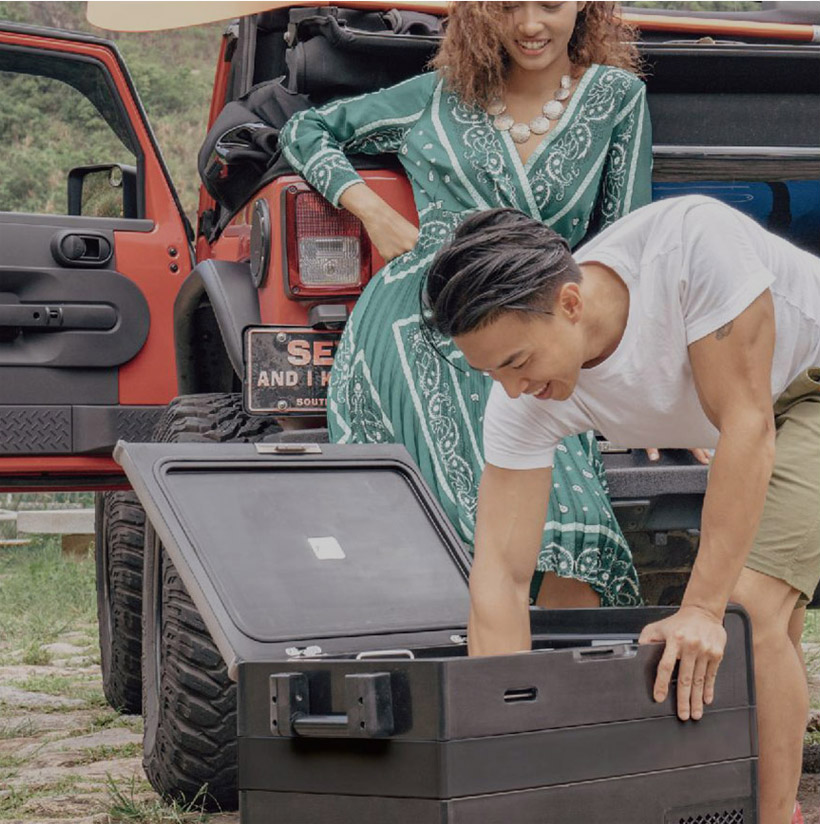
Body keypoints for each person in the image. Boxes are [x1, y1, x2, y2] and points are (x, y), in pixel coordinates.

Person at [423, 195, 820, 824]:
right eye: (491, 373)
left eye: (518, 362)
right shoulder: (521, 397)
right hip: (750, 408)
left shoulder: (693, 247)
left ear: (571, 304)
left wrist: (701, 608)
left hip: (805, 389)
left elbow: (747, 425)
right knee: (772, 628)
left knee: (746, 613)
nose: (513, 389)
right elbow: (499, 576)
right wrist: (502, 748)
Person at [279, 2, 652, 608]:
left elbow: (625, 246)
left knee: (562, 497)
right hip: (429, 307)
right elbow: (304, 130)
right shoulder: (438, 95)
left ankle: (570, 680)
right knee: (484, 467)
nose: (531, 24)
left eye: (550, 3)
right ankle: (477, 659)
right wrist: (372, 212)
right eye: (508, 6)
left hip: (541, 312)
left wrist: (646, 378)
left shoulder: (618, 98)